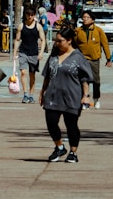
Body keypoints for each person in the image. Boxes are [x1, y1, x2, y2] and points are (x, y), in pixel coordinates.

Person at [39, 24, 93, 164]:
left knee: (71, 125)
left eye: (60, 41)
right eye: (56, 41)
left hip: (72, 96)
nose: (57, 43)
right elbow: (47, 75)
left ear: (69, 40)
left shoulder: (78, 57)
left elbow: (85, 79)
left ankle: (73, 152)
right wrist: (42, 92)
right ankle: (59, 147)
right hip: (53, 95)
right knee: (51, 122)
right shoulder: (54, 55)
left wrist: (85, 95)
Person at [74, 9, 111, 108]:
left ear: (92, 20)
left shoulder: (98, 31)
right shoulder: (78, 31)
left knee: (96, 80)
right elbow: (73, 45)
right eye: (84, 17)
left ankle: (96, 98)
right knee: (83, 80)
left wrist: (109, 58)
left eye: (87, 17)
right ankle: (85, 99)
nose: (85, 19)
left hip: (94, 60)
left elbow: (105, 45)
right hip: (82, 59)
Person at [13, 6, 46, 103]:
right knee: (23, 72)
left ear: (34, 15)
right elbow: (17, 40)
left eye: (32, 15)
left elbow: (43, 40)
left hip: (34, 53)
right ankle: (25, 94)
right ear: (26, 15)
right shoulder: (21, 26)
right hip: (23, 52)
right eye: (28, 15)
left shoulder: (38, 26)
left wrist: (41, 53)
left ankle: (31, 95)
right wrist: (15, 52)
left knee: (32, 75)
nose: (30, 17)